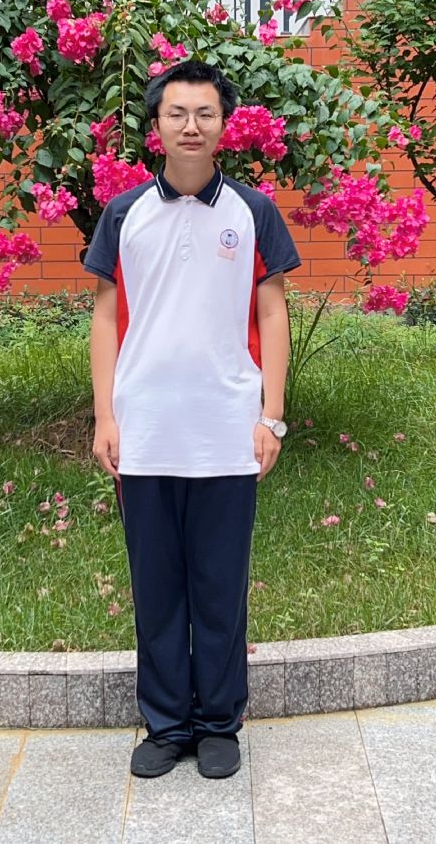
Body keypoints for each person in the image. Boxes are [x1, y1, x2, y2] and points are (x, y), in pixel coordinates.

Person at [83, 59, 300, 779]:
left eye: (205, 113)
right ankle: (166, 723)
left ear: (223, 125)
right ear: (156, 125)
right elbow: (106, 315)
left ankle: (218, 723)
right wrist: (105, 415)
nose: (190, 126)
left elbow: (272, 312)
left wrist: (271, 416)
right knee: (156, 588)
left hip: (227, 432)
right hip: (144, 432)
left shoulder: (252, 211)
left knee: (219, 585)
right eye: (176, 113)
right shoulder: (124, 214)